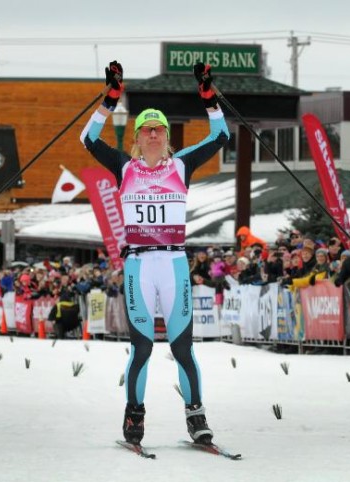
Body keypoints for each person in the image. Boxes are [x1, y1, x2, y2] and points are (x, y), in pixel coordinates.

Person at [81, 60, 228, 445]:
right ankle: (134, 417)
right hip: (139, 266)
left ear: (166, 137)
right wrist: (110, 98)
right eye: (146, 129)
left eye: (159, 129)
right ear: (137, 136)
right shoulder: (124, 167)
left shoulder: (181, 165)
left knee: (182, 347)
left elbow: (221, 135)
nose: (153, 135)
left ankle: (196, 417)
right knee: (142, 347)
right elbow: (88, 139)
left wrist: (208, 94)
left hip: (174, 263)